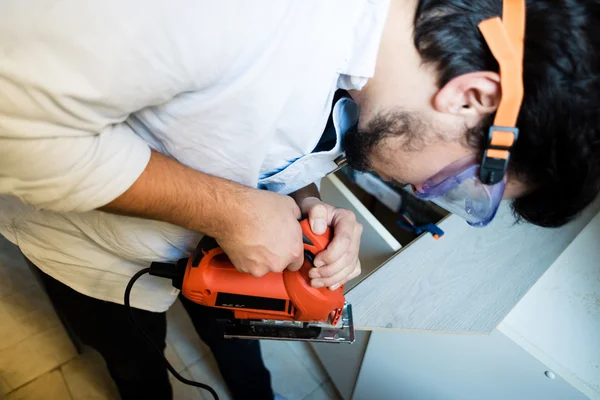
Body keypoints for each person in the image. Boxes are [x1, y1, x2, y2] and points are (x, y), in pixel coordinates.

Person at [1, 0, 598, 399]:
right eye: (457, 182)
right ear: (472, 97)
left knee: (238, 351)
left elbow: (273, 137)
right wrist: (225, 210)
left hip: (216, 257)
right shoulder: (227, 16)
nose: (423, 191)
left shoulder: (374, 71)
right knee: (135, 368)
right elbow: (15, 130)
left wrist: (306, 203)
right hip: (92, 254)